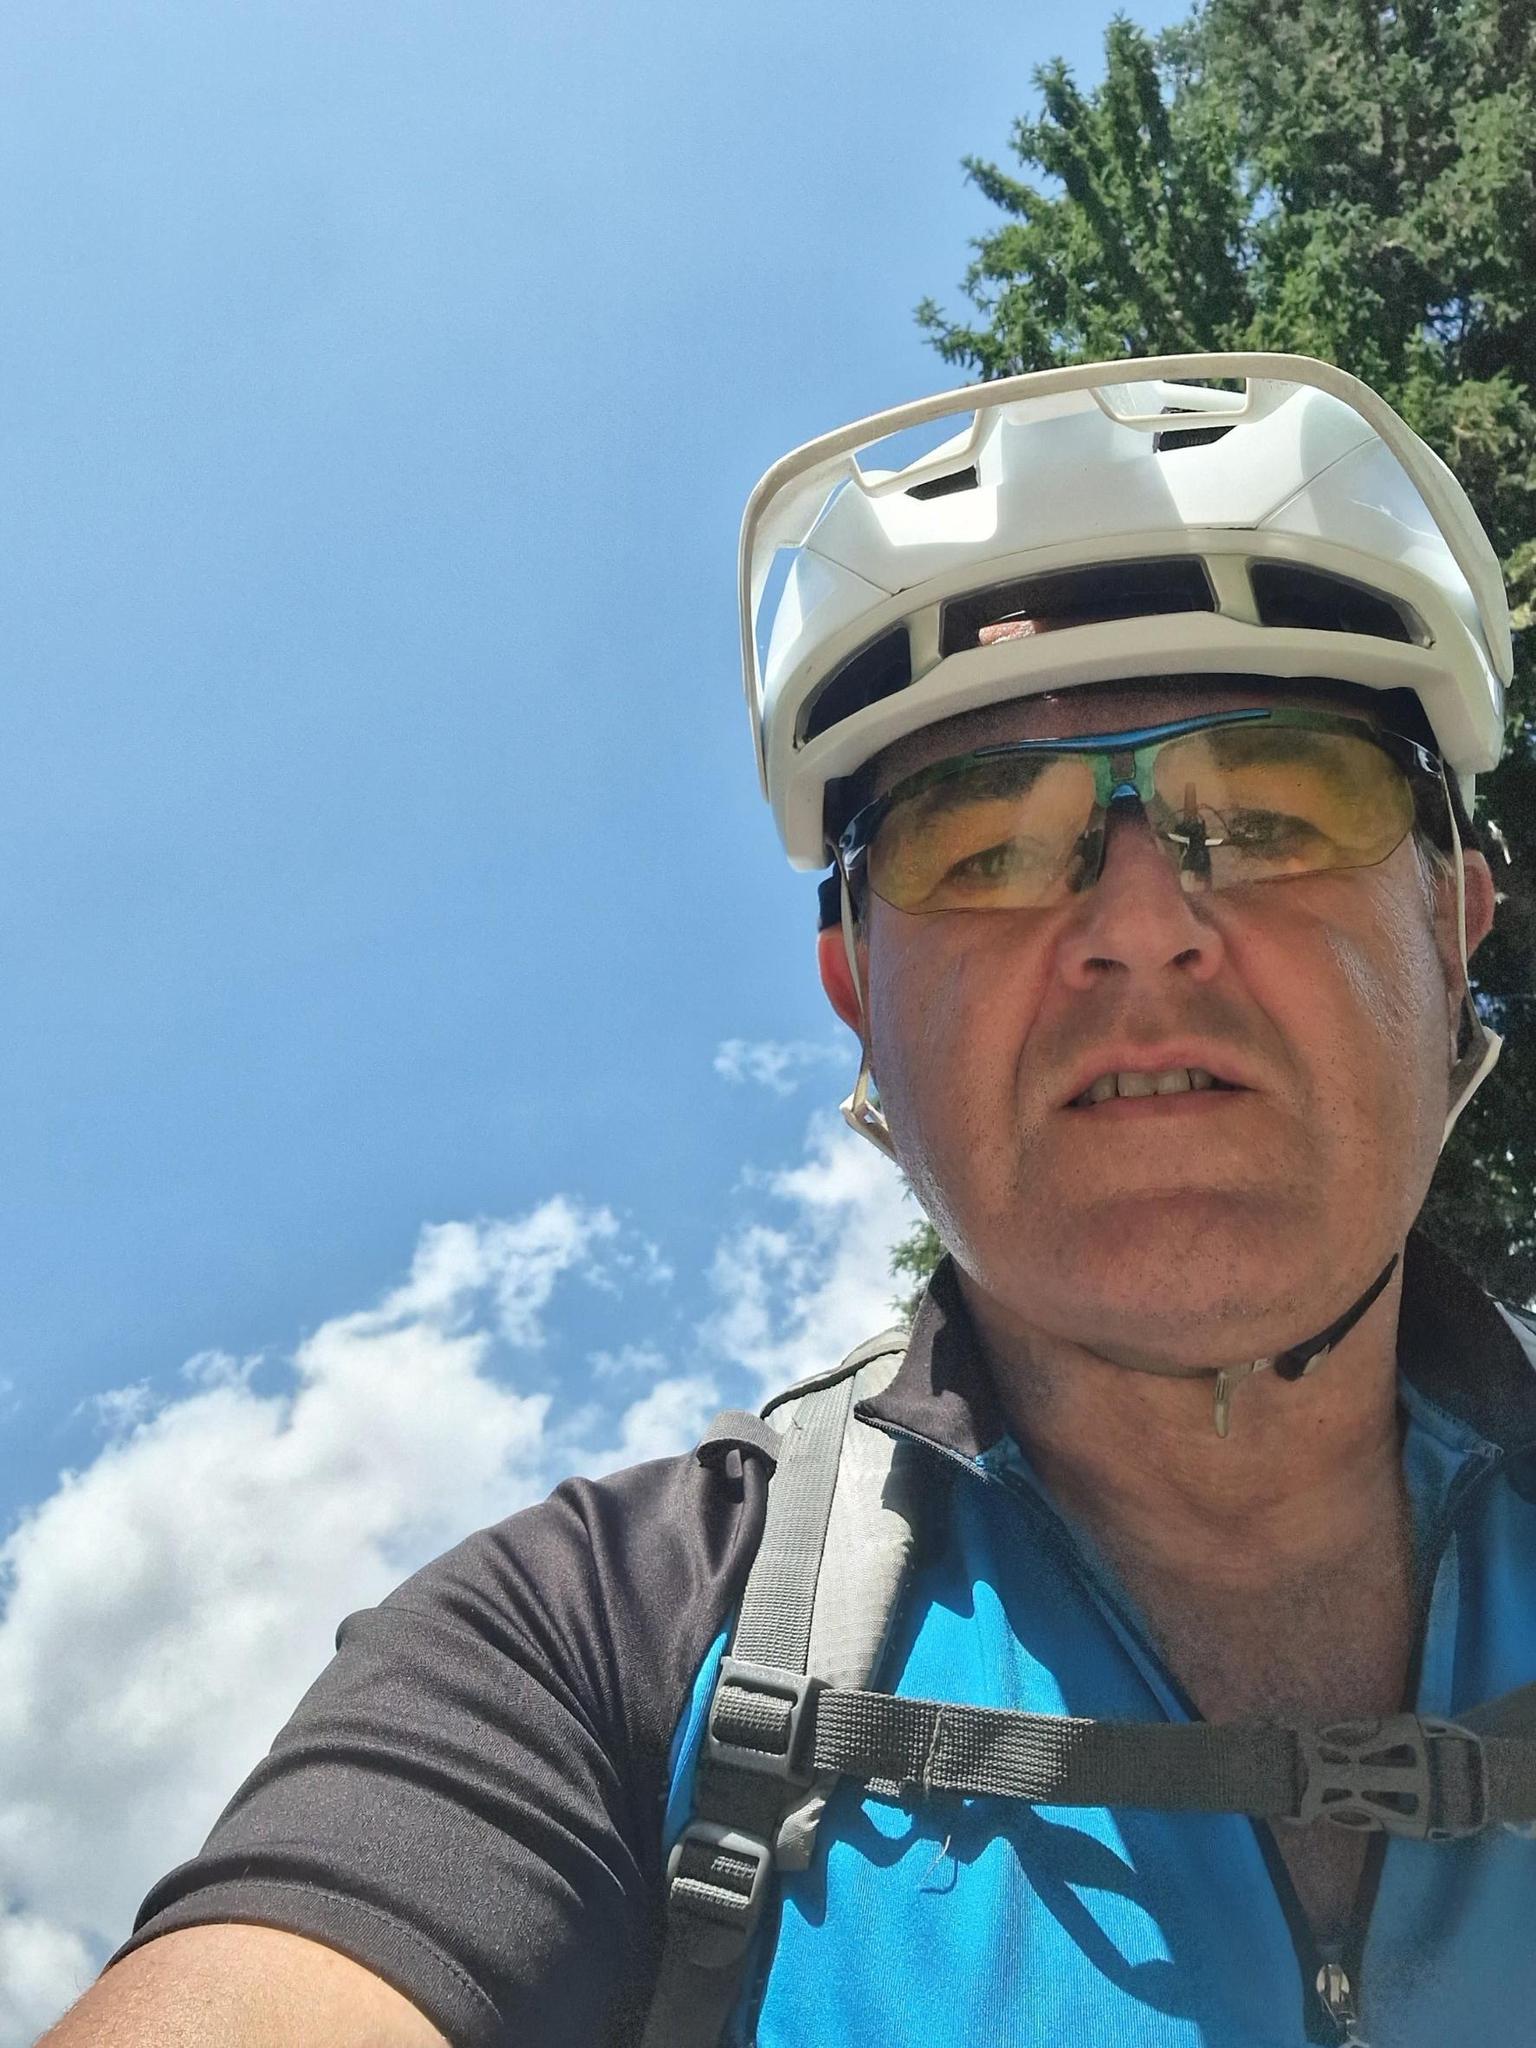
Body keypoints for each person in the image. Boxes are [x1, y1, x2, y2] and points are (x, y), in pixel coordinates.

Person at [40, 353, 1534, 2048]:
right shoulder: (597, 1640)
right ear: (859, 1000)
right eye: (981, 849)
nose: (1138, 927)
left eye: (1272, 811)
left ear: (1455, 921)